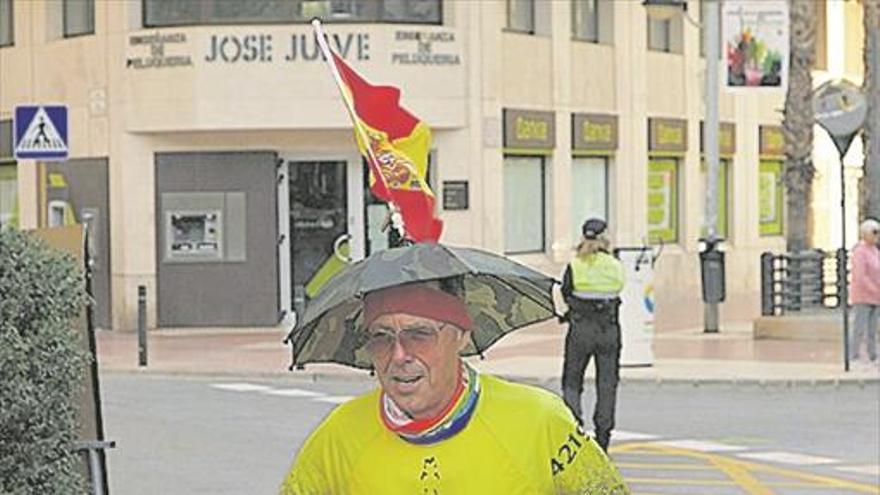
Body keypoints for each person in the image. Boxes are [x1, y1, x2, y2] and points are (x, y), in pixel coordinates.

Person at [280, 283, 629, 494]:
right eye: (382, 337)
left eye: (419, 334)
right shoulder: (339, 433)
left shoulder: (539, 419)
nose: (399, 355)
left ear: (461, 336)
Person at [560, 218, 625, 453]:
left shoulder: (575, 265)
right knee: (607, 384)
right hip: (608, 329)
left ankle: (575, 424)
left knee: (572, 381)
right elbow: (620, 288)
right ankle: (603, 437)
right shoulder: (615, 265)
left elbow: (565, 293)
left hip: (580, 329)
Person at [850, 218, 880, 368]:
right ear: (864, 234)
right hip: (862, 295)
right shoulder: (860, 251)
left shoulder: (875, 251)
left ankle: (873, 355)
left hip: (876, 297)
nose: (876, 236)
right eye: (874, 232)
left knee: (873, 328)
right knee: (859, 327)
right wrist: (874, 288)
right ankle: (854, 356)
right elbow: (861, 275)